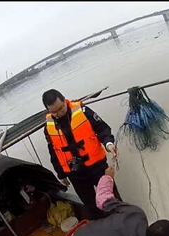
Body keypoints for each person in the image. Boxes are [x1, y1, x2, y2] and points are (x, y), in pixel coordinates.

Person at [42, 89, 121, 220]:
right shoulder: (48, 127)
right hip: (75, 174)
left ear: (64, 100)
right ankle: (105, 230)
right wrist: (61, 174)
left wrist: (109, 143)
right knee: (91, 206)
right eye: (53, 112)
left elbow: (102, 128)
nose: (58, 114)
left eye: (61, 109)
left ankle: (123, 222)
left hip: (97, 166)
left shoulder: (83, 111)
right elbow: (54, 151)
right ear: (48, 111)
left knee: (112, 199)